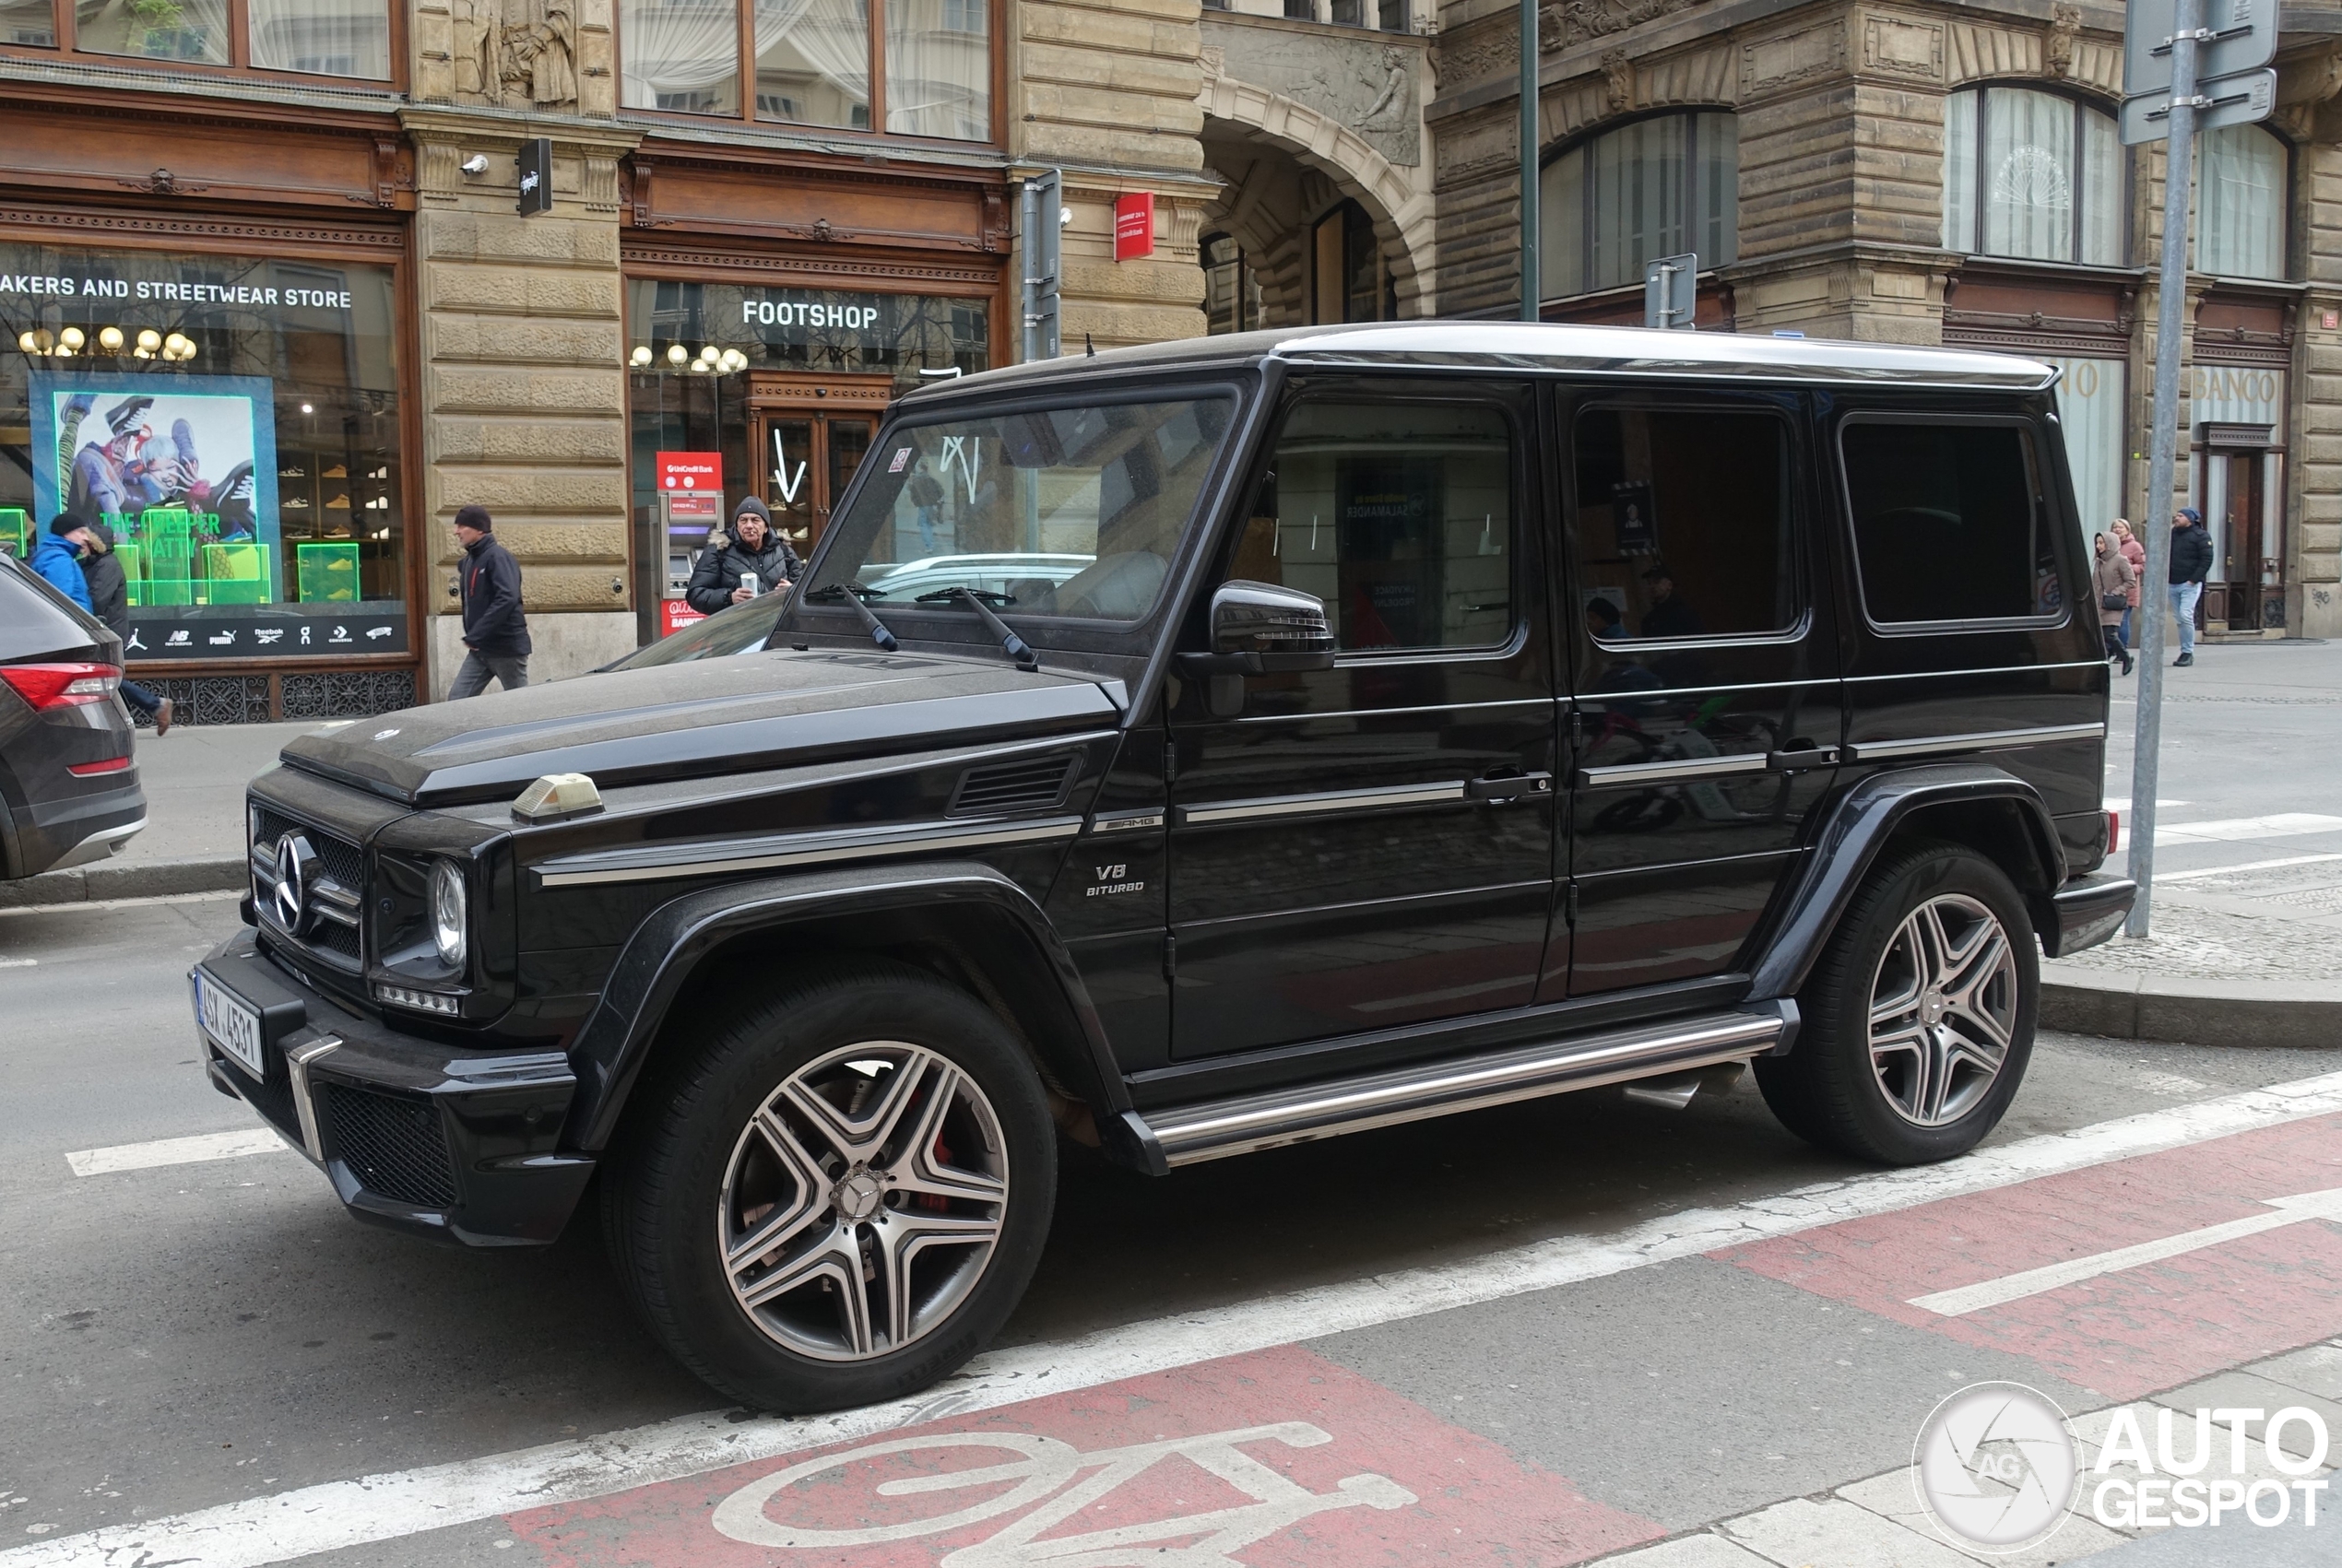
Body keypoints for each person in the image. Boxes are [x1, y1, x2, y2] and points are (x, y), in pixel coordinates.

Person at [78, 521, 173, 733]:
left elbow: (97, 599)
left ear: (95, 544)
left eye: (86, 543)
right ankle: (131, 718)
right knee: (104, 679)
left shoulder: (107, 565)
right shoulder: (94, 564)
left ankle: (155, 705)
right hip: (102, 630)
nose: (81, 547)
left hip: (107, 631)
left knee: (106, 678)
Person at [449, 504, 531, 697]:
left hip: (506, 649)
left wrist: (477, 633)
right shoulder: (471, 560)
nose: (456, 532)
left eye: (461, 526)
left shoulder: (498, 557)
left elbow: (507, 598)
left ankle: (541, 727)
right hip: (481, 651)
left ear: (479, 529)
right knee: (456, 701)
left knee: (521, 705)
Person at [686, 496, 801, 616]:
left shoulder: (784, 551)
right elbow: (696, 594)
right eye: (743, 520)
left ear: (766, 527)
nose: (749, 525)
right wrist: (729, 598)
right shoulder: (719, 550)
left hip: (775, 625)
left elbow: (807, 591)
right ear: (737, 526)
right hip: (738, 629)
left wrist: (792, 590)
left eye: (755, 520)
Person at [2167, 506, 2214, 667]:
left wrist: (2193, 580)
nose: (2176, 517)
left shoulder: (2201, 536)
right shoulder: (2173, 534)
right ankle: (2184, 651)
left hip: (2189, 584)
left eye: (2180, 515)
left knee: (2185, 615)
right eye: (2177, 514)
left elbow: (2207, 559)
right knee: (2179, 619)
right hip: (2172, 582)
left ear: (2190, 519)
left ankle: (2188, 651)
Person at [2092, 531, 2135, 677]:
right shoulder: (2099, 561)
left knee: (2109, 634)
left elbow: (2130, 581)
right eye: (2097, 543)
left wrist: (2116, 592)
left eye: (2101, 542)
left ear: (2110, 543)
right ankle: (2107, 657)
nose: (2098, 546)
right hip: (2099, 603)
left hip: (2113, 603)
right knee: (2102, 635)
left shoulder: (2120, 560)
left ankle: (2126, 657)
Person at [1638, 565, 1703, 639]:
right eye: (1649, 583)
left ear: (1669, 585)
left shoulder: (1686, 614)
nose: (1652, 586)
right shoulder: (1649, 620)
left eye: (1657, 582)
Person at [2111, 519, 2146, 648]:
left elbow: (2142, 566)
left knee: (2122, 620)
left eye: (2121, 527)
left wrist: (2127, 569)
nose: (2117, 530)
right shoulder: (2109, 544)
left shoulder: (2134, 546)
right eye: (2115, 527)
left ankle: (2122, 649)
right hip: (2109, 589)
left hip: (2126, 590)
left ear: (2127, 530)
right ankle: (2112, 650)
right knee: (2110, 623)